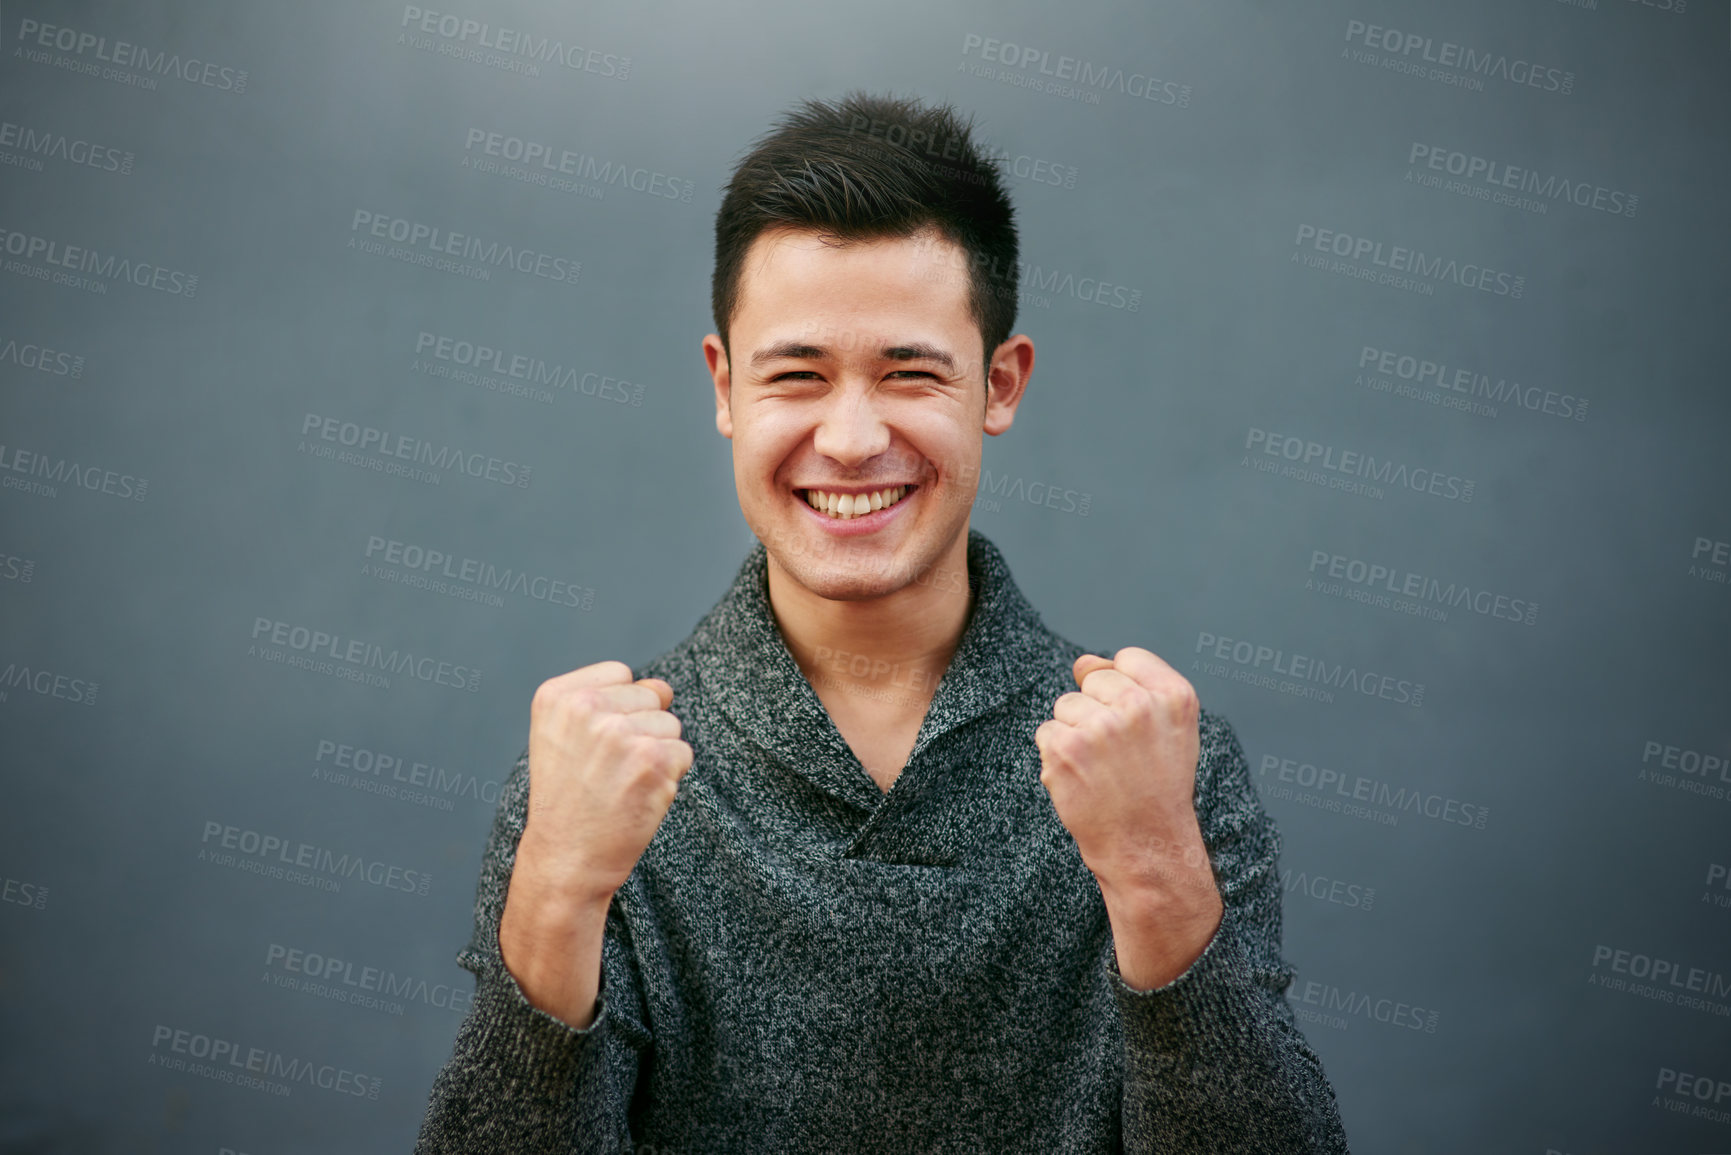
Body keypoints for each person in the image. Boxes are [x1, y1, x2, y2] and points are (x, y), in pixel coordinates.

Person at [414, 91, 1351, 1153]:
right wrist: (557, 893)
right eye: (797, 376)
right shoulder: (594, 778)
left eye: (909, 373)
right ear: (724, 385)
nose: (852, 439)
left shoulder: (1161, 767)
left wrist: (1154, 874)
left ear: (998, 384)